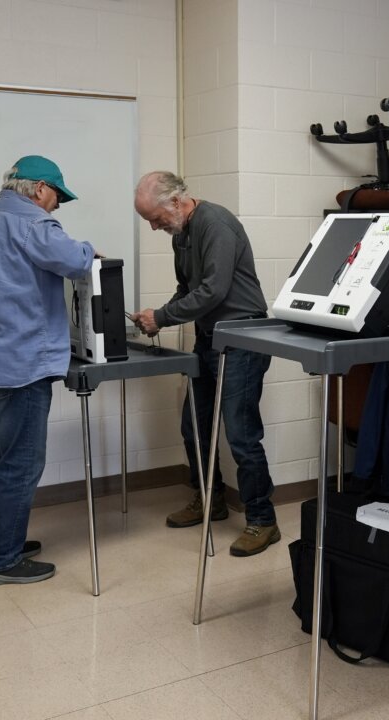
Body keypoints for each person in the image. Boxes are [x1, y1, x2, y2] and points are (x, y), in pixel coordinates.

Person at [0, 156, 95, 586]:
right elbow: (76, 262)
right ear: (38, 190)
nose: (56, 207)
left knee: (2, 458)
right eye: (56, 197)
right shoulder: (34, 224)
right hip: (19, 366)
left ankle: (5, 539)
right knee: (22, 464)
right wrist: (91, 250)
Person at [131, 171, 279, 557]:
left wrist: (162, 317)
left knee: (242, 435)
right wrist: (158, 315)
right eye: (148, 219)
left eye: (156, 217)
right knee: (193, 426)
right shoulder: (181, 232)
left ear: (178, 201)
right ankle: (210, 500)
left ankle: (263, 520)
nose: (153, 227)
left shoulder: (216, 223)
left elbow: (214, 289)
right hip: (210, 337)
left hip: (243, 338)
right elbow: (188, 289)